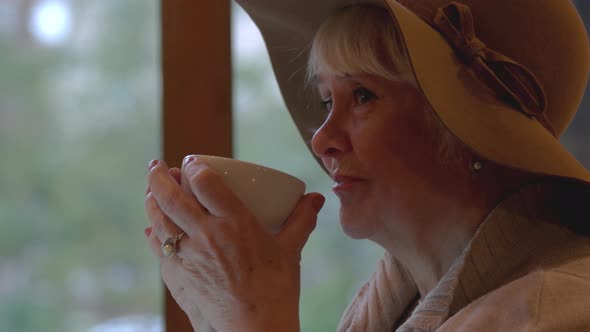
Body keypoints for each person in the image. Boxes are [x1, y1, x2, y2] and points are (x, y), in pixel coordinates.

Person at [144, 0, 590, 330]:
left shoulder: (556, 310)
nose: (322, 140)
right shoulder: (391, 304)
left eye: (362, 96)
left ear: (468, 129)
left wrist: (257, 317)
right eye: (326, 100)